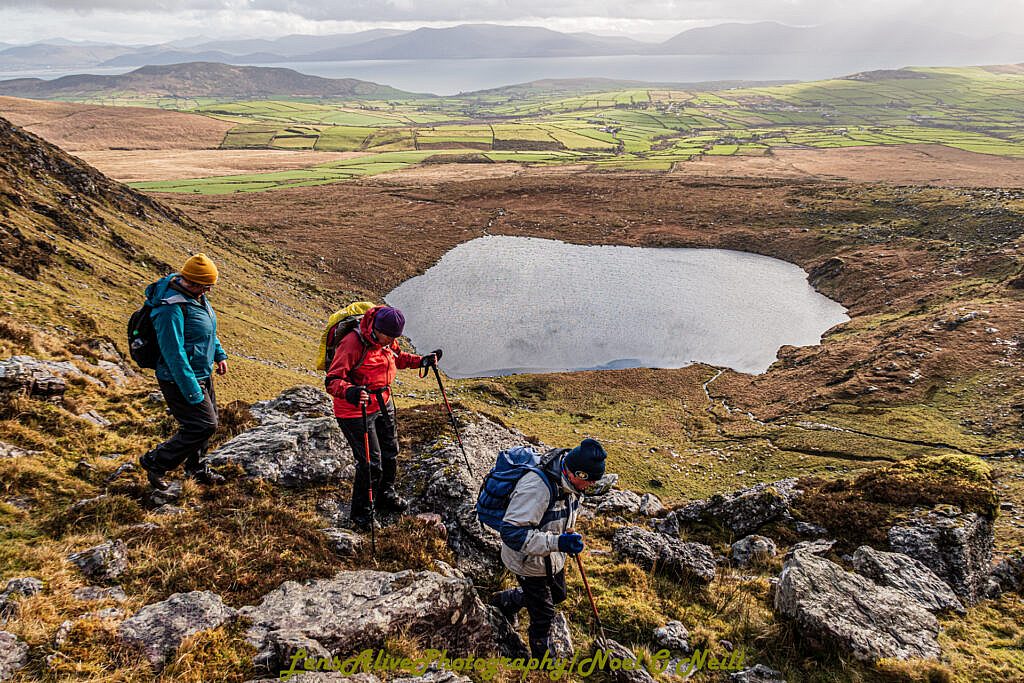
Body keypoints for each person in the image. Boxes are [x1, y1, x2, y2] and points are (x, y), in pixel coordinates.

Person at [325, 305, 441, 532]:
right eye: (389, 336)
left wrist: (422, 361)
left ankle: (385, 494)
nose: (391, 342)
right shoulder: (352, 343)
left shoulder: (387, 340)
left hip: (383, 401)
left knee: (391, 452)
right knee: (370, 464)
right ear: (376, 328)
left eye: (395, 337)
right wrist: (350, 391)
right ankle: (362, 515)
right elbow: (332, 380)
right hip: (355, 410)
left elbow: (397, 358)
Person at [490, 438, 607, 659]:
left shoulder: (571, 486)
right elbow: (512, 533)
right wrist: (557, 543)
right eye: (590, 481)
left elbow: (560, 518)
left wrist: (567, 540)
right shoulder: (537, 487)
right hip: (527, 562)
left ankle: (508, 600)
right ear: (577, 473)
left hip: (551, 558)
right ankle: (541, 662)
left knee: (557, 594)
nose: (591, 486)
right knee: (543, 614)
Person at [138, 253, 228, 489]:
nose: (209, 290)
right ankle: (156, 463)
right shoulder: (170, 309)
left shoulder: (195, 297)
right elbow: (174, 354)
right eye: (207, 285)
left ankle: (196, 469)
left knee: (209, 423)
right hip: (178, 378)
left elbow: (206, 330)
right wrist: (191, 389)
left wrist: (218, 355)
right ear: (194, 282)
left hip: (201, 371)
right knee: (203, 425)